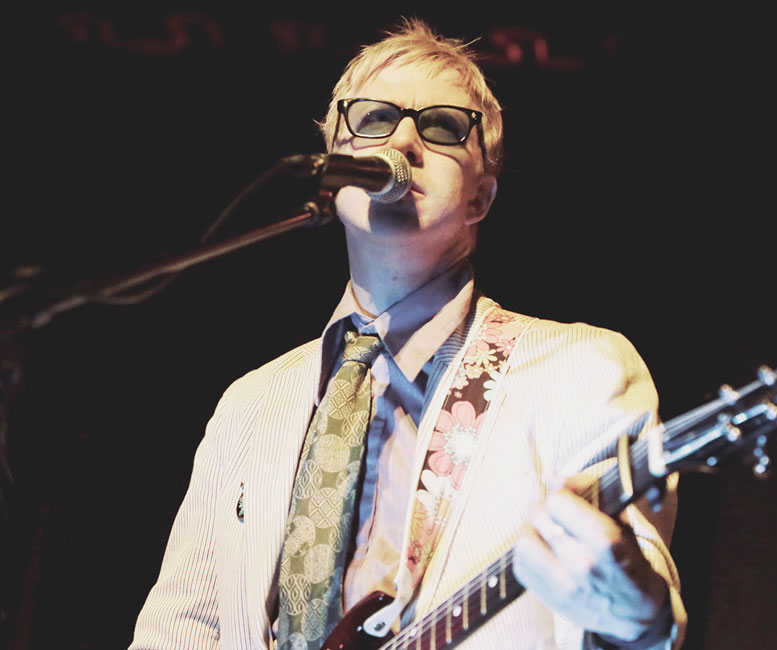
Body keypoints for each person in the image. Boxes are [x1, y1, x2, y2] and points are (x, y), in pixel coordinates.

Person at [131, 19, 686, 650]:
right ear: (331, 169)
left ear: (481, 196)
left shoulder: (580, 371)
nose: (402, 141)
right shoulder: (249, 404)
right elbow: (181, 629)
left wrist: (637, 618)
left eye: (443, 127)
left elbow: (630, 603)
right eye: (372, 119)